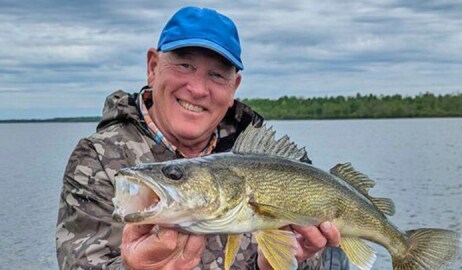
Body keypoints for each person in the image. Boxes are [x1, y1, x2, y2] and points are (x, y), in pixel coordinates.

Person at [56, 6, 349, 270]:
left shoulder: (266, 158)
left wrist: (275, 265)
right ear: (153, 67)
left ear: (234, 87)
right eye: (185, 65)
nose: (197, 89)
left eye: (217, 75)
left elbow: (315, 251)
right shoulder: (98, 159)